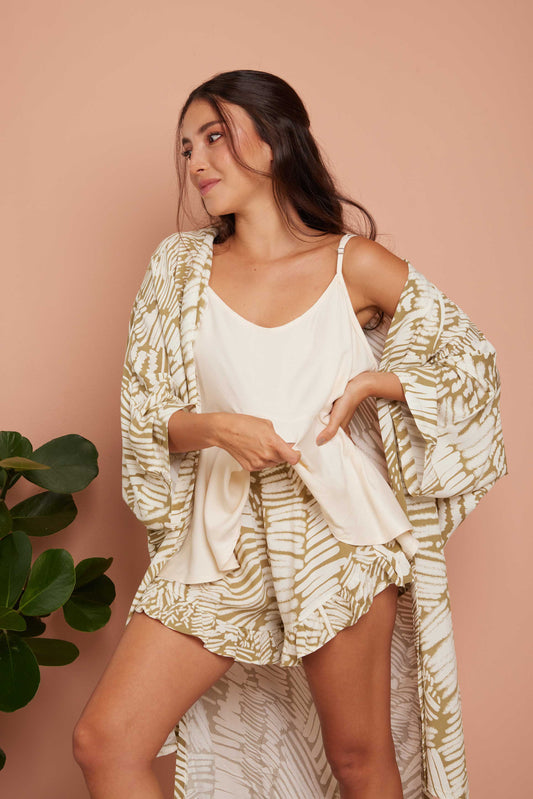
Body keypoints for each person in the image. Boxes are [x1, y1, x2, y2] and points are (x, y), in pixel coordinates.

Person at [73, 70, 507, 799]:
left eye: (215, 136)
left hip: (337, 536)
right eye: (186, 147)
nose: (196, 161)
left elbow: (470, 363)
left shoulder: (352, 262)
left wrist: (374, 382)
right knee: (106, 742)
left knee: (359, 759)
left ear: (274, 143)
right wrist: (219, 428)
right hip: (218, 537)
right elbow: (148, 414)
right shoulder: (178, 269)